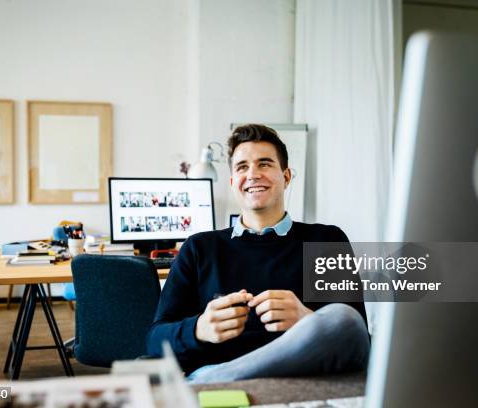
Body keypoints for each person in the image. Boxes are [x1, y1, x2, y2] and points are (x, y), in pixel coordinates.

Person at [146, 124, 370, 383]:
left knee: (342, 317)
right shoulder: (198, 248)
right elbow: (154, 340)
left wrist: (307, 321)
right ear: (233, 183)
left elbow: (355, 335)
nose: (252, 174)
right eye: (242, 167)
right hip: (221, 380)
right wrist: (199, 329)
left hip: (301, 377)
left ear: (286, 178)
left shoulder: (326, 241)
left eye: (264, 164)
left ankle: (218, 380)